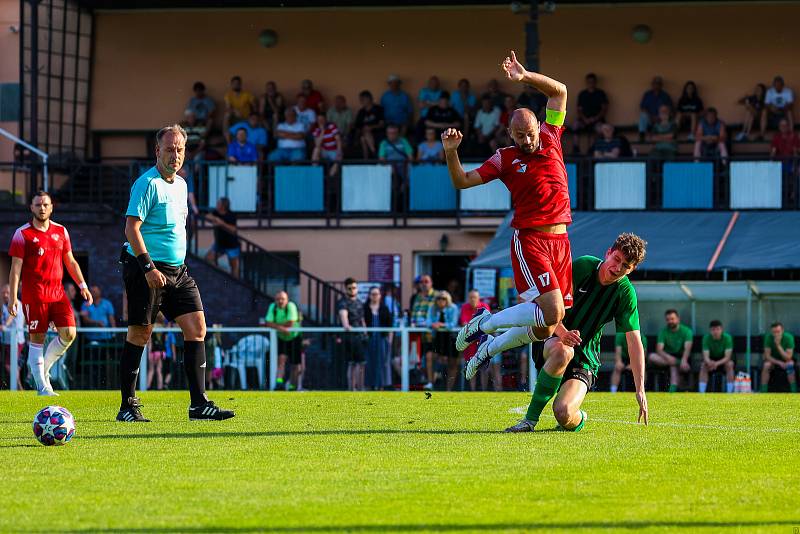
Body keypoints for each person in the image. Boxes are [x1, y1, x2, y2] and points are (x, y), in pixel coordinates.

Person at [448, 51, 574, 370]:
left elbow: (559, 91)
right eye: (521, 136)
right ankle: (482, 325)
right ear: (510, 135)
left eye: (530, 133)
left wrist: (525, 76)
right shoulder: (504, 159)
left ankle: (489, 347)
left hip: (561, 241)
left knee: (546, 326)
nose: (528, 140)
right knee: (554, 313)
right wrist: (451, 153)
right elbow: (462, 181)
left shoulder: (550, 134)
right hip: (530, 239)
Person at [118, 124, 234, 421]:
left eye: (180, 149)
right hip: (145, 267)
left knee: (197, 328)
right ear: (157, 151)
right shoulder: (147, 184)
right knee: (141, 333)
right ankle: (127, 407)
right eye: (169, 149)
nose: (175, 155)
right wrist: (148, 267)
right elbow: (131, 228)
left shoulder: (182, 184)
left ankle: (199, 404)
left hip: (178, 271)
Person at [502, 234, 649, 431]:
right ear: (608, 253)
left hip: (585, 357)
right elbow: (550, 306)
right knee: (563, 350)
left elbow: (634, 342)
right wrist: (562, 333)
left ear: (632, 270)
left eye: (625, 266)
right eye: (616, 259)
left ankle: (578, 417)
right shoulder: (583, 266)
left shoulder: (625, 294)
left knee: (564, 413)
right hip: (553, 338)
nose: (617, 268)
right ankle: (529, 421)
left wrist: (640, 390)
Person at [8, 190, 92, 396]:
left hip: (58, 294)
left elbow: (70, 261)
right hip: (34, 295)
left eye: (45, 204)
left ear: (52, 207)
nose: (42, 208)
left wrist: (83, 286)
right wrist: (13, 298)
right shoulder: (22, 234)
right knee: (37, 339)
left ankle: (43, 370)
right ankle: (42, 387)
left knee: (70, 333)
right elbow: (15, 269)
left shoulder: (61, 231)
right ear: (31, 208)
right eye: (38, 205)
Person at [263, 291, 302, 391]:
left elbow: (291, 323)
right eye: (278, 299)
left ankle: (293, 386)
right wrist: (282, 329)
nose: (280, 301)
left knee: (295, 364)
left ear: (287, 300)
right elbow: (268, 322)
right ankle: (279, 384)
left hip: (294, 337)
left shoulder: (291, 306)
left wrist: (277, 326)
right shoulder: (273, 307)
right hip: (282, 337)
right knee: (281, 361)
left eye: (283, 299)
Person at [648, 309, 694, 392]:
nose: (670, 321)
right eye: (668, 319)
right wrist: (670, 358)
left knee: (673, 366)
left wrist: (683, 360)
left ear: (678, 319)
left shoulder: (687, 331)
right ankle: (677, 365)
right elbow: (659, 350)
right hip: (666, 358)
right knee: (652, 356)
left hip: (681, 357)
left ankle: (672, 390)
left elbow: (687, 348)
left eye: (672, 319)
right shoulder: (663, 332)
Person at [459, 289, 493, 392]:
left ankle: (483, 390)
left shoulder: (484, 307)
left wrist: (473, 328)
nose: (472, 299)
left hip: (482, 341)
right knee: (471, 366)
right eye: (470, 297)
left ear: (478, 298)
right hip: (470, 343)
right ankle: (472, 390)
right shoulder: (465, 307)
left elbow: (486, 323)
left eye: (474, 297)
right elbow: (464, 323)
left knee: (483, 367)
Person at [426, 290, 459, 391]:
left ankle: (449, 389)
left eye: (443, 298)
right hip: (437, 337)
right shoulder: (433, 308)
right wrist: (433, 324)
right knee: (430, 356)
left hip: (451, 338)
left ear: (447, 300)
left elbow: (453, 323)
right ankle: (431, 383)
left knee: (452, 363)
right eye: (439, 298)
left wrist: (441, 324)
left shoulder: (453, 308)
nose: (441, 300)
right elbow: (428, 321)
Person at [337, 278, 366, 391]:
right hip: (350, 337)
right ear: (346, 289)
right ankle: (352, 389)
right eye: (350, 288)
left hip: (360, 337)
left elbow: (362, 319)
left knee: (361, 363)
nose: (352, 290)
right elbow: (344, 317)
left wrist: (365, 331)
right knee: (353, 364)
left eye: (354, 288)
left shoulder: (359, 302)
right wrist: (347, 326)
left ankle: (360, 388)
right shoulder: (343, 302)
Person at [364, 286, 393, 390]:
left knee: (382, 363)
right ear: (369, 295)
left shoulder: (384, 309)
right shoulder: (365, 308)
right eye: (372, 294)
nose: (374, 296)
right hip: (370, 339)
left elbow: (390, 326)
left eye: (376, 294)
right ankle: (370, 386)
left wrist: (389, 340)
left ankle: (381, 386)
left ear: (380, 296)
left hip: (381, 339)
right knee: (370, 362)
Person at [571, 73, 608, 153]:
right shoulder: (582, 94)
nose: (591, 83)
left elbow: (604, 109)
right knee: (575, 125)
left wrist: (595, 118)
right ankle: (576, 149)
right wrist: (585, 119)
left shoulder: (600, 93)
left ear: (595, 82)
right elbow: (579, 110)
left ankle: (593, 149)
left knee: (600, 128)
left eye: (592, 81)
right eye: (589, 82)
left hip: (597, 120)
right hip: (584, 120)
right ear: (586, 82)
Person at [204, 197, 239, 278]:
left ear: (223, 206)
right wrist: (216, 219)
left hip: (231, 245)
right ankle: (221, 275)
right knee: (208, 259)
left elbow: (234, 229)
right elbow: (207, 216)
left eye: (218, 203)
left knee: (234, 266)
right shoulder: (216, 212)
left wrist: (222, 223)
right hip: (219, 244)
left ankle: (236, 284)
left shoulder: (231, 215)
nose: (216, 204)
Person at [699, 320, 735, 393]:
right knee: (703, 366)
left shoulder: (727, 338)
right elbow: (706, 357)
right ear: (710, 331)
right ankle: (701, 393)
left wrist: (716, 364)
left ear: (722, 330)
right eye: (713, 330)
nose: (715, 332)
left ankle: (730, 393)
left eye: (718, 329)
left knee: (730, 365)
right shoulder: (706, 338)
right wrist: (709, 362)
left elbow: (727, 357)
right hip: (711, 360)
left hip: (723, 360)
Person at [760, 321, 796, 393]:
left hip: (786, 360)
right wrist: (779, 363)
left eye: (778, 332)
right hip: (773, 360)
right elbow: (767, 356)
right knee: (766, 365)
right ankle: (763, 391)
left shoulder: (789, 337)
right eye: (774, 332)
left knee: (790, 365)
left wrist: (778, 345)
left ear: (782, 331)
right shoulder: (768, 337)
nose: (776, 334)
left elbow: (788, 357)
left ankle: (794, 392)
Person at [1, 284, 25, 389]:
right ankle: (17, 389)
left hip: (16, 341)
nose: (5, 295)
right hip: (7, 341)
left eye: (7, 293)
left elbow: (11, 316)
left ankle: (19, 388)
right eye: (3, 293)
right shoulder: (4, 306)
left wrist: (5, 325)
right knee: (13, 367)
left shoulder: (16, 304)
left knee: (10, 366)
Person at [354, 90, 385, 159]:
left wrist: (371, 127)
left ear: (368, 99)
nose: (361, 101)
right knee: (363, 137)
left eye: (362, 99)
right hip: (364, 133)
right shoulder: (361, 112)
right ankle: (373, 152)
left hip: (377, 132)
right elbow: (358, 126)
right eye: (360, 100)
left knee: (363, 138)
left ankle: (366, 159)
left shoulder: (378, 109)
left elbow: (382, 124)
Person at [311, 113, 343, 177]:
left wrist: (339, 151)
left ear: (326, 120)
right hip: (324, 151)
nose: (321, 121)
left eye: (322, 119)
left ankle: (330, 177)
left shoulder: (332, 126)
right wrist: (322, 131)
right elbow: (317, 144)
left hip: (334, 150)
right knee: (316, 150)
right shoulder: (316, 130)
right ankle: (314, 173)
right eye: (319, 120)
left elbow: (338, 140)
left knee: (339, 157)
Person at [147, 313, 167, 391]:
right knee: (159, 370)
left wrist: (149, 352)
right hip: (161, 352)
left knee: (151, 370)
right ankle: (160, 388)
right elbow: (164, 340)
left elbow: (150, 342)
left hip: (153, 351)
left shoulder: (152, 328)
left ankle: (148, 387)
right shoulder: (164, 328)